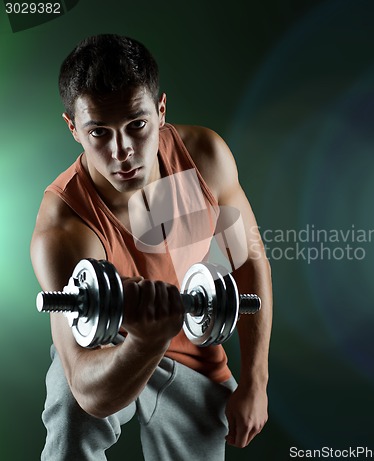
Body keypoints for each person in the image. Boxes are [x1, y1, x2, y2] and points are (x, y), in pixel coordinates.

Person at [30, 34, 272, 460]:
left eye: (137, 125)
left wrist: (255, 382)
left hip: (196, 360)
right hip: (109, 354)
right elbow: (87, 387)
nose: (122, 151)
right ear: (73, 128)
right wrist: (145, 340)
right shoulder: (65, 226)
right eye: (99, 132)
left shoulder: (204, 159)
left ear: (160, 111)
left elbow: (248, 262)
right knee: (70, 414)